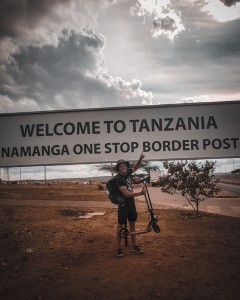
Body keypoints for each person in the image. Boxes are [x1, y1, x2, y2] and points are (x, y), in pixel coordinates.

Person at [114, 152, 145, 257]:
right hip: (123, 204)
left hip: (131, 204)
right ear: (118, 169)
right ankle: (118, 248)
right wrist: (140, 193)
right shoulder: (118, 178)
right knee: (120, 225)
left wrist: (140, 159)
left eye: (124, 165)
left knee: (132, 224)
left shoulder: (128, 173)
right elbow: (126, 194)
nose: (123, 167)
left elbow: (135, 168)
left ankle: (134, 245)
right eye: (121, 166)